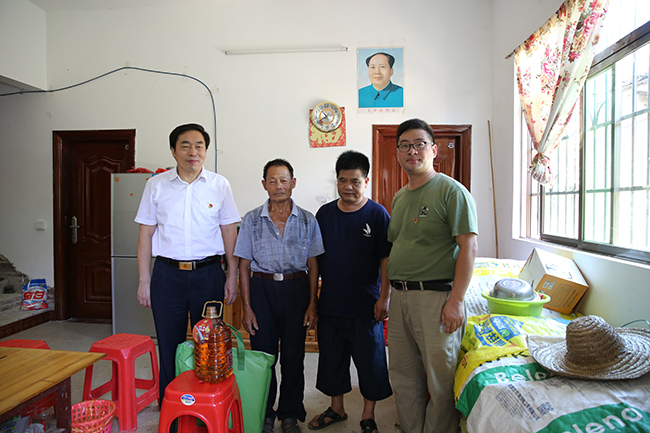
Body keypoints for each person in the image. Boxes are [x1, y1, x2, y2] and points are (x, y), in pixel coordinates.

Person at [135, 123, 240, 403]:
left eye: (199, 146)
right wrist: (144, 281)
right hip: (167, 275)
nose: (193, 152)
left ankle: (206, 404)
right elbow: (145, 234)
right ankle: (171, 404)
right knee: (169, 342)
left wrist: (231, 276)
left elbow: (229, 232)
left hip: (209, 274)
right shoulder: (156, 185)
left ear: (205, 151)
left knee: (210, 343)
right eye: (185, 146)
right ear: (173, 151)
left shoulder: (219, 185)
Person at [387, 119, 478, 433]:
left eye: (419, 144)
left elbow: (469, 247)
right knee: (403, 375)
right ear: (398, 153)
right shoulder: (400, 197)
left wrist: (456, 301)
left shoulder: (452, 191)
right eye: (405, 145)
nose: (412, 151)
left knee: (440, 380)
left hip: (435, 298)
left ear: (434, 150)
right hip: (400, 297)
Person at [234, 159, 325, 433]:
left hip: (297, 291)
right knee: (264, 357)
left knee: (294, 358)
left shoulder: (308, 219)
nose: (278, 186)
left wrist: (312, 304)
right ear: (264, 185)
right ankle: (265, 413)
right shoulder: (251, 219)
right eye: (272, 181)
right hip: (261, 291)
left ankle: (290, 413)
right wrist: (247, 308)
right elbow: (243, 266)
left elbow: (313, 265)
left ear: (293, 183)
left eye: (283, 180)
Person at [309, 151, 392, 433]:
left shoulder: (378, 214)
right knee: (332, 360)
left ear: (366, 181)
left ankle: (368, 415)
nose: (348, 187)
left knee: (371, 363)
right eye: (342, 180)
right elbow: (315, 260)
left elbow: (386, 259)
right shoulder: (325, 214)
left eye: (355, 181)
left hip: (367, 306)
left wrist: (384, 298)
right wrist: (313, 302)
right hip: (331, 304)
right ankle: (337, 408)